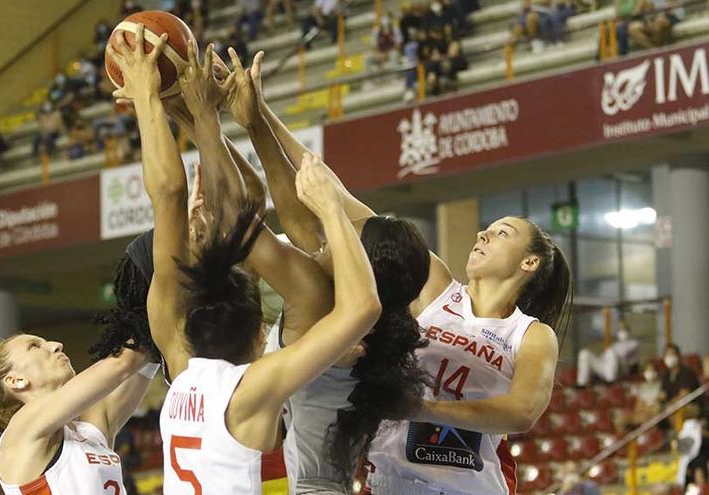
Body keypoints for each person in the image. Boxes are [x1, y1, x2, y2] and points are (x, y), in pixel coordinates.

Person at [247, 55, 572, 493]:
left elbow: (522, 411)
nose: (482, 233)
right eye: (488, 227)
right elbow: (339, 201)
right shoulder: (435, 285)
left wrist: (416, 407)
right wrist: (262, 116)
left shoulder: (530, 335)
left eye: (502, 233)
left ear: (529, 262)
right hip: (391, 484)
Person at [107, 27, 381, 493]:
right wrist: (182, 109)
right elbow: (206, 208)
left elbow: (185, 201)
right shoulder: (255, 386)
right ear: (259, 335)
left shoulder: (175, 357)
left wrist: (164, 106)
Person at [198, 48, 431, 493]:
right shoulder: (357, 314)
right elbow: (299, 218)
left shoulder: (329, 316)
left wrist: (199, 117)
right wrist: (252, 120)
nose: (326, 238)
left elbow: (246, 225)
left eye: (344, 237)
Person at [0, 332, 157, 494]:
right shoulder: (22, 429)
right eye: (34, 346)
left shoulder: (86, 431)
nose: (56, 344)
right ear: (15, 380)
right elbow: (122, 364)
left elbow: (145, 362)